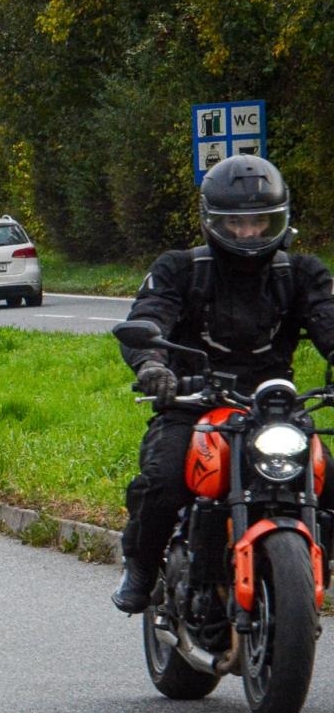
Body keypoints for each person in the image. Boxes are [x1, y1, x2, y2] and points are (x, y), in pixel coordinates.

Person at [113, 155, 334, 617]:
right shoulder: (181, 269)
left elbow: (329, 322)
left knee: (326, 478)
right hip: (193, 401)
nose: (248, 233)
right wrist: (154, 365)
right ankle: (142, 566)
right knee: (165, 480)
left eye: (259, 222)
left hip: (274, 407)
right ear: (212, 222)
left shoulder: (301, 273)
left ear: (280, 219)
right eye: (236, 224)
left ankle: (310, 569)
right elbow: (149, 316)